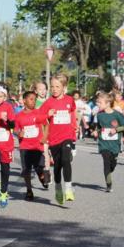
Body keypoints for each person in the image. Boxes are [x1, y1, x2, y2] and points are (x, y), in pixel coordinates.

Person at [43, 73, 76, 205]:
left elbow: (73, 113)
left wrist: (75, 126)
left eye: (57, 86)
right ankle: (58, 187)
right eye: (52, 87)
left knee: (66, 159)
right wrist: (47, 114)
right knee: (57, 166)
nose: (54, 89)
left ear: (64, 87)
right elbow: (40, 118)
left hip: (67, 136)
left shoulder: (69, 100)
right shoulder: (48, 102)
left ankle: (68, 188)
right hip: (54, 139)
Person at [13, 90, 49, 201]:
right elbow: (15, 129)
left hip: (37, 146)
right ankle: (29, 190)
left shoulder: (38, 113)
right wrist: (19, 133)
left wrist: (45, 137)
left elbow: (46, 125)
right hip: (25, 147)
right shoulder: (19, 116)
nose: (34, 101)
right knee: (26, 170)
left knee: (39, 168)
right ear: (24, 100)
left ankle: (42, 178)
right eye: (31, 99)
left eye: (35, 99)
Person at [94, 91, 124, 192]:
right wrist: (96, 131)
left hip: (115, 144)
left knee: (112, 164)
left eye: (100, 103)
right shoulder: (99, 115)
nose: (98, 105)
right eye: (97, 103)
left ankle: (112, 167)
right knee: (106, 163)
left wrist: (116, 130)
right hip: (103, 143)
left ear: (108, 103)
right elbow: (98, 127)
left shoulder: (117, 115)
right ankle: (109, 184)